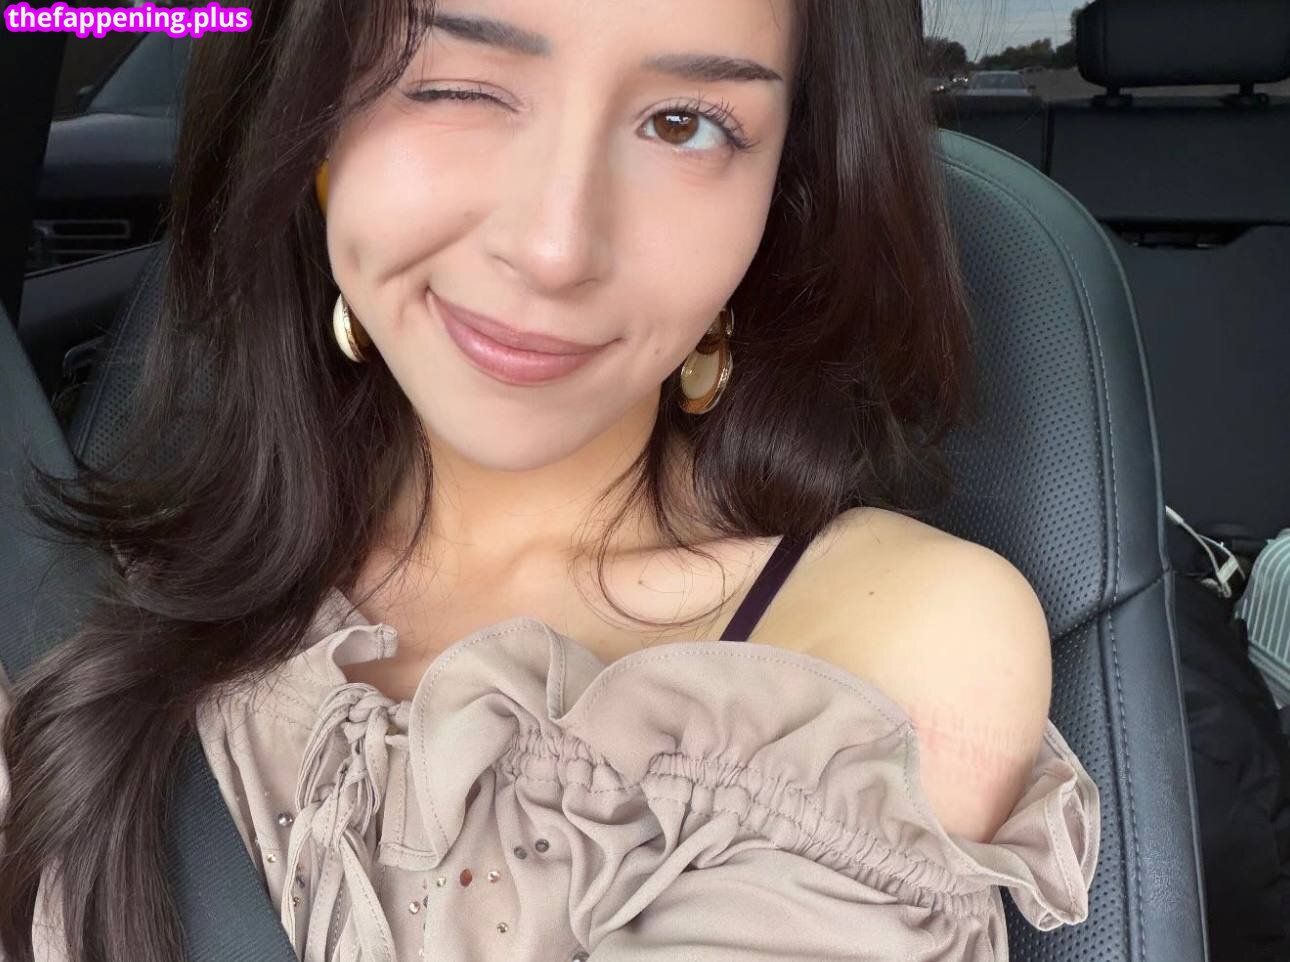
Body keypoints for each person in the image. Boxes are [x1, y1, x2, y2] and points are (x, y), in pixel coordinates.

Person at [0, 1, 1100, 960]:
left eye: (685, 124)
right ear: (309, 119)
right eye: (456, 87)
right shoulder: (109, 562)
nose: (555, 247)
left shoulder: (876, 653)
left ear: (783, 189)